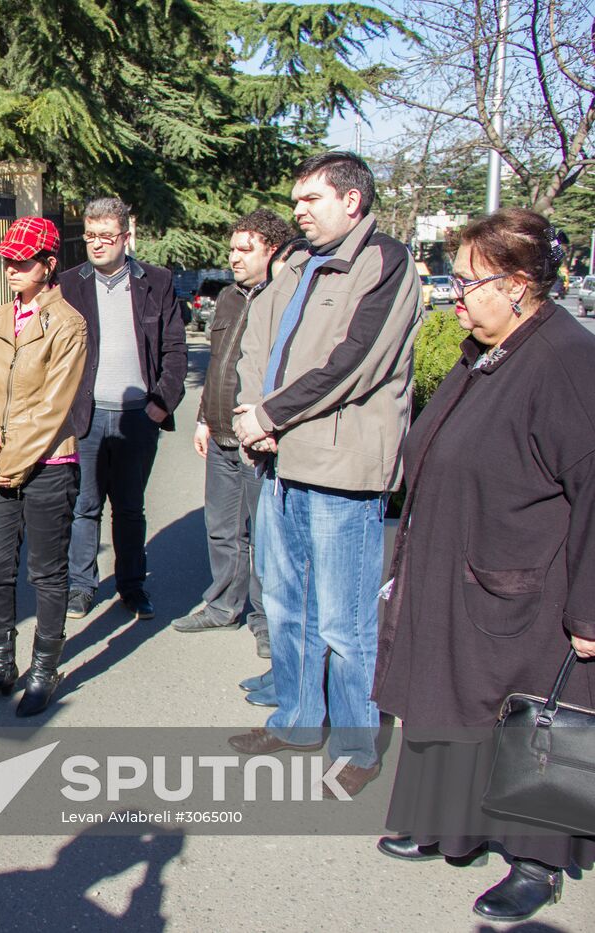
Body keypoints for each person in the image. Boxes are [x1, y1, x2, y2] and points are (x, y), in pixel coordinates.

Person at [371, 210, 595, 922]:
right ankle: (452, 824)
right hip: (465, 564)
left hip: (534, 582)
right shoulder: (486, 350)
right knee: (453, 694)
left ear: (521, 285)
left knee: (537, 720)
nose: (455, 296)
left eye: (469, 283)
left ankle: (538, 859)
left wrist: (591, 608)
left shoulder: (565, 359)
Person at [228, 152, 421, 799]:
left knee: (345, 621)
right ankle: (298, 720)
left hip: (343, 468)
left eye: (311, 198)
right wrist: (257, 419)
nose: (299, 210)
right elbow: (270, 349)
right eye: (297, 199)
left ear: (352, 201)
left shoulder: (384, 262)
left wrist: (270, 413)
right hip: (286, 459)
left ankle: (357, 744)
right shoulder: (308, 265)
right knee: (287, 606)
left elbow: (354, 361)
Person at [0, 217, 87, 717]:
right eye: (9, 260)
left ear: (49, 265)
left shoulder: (69, 325)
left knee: (47, 573)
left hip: (48, 465)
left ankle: (43, 671)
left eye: (23, 261)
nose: (13, 268)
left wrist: (9, 463)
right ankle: (0, 667)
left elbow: (52, 409)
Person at [171, 210, 295, 664]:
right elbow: (218, 362)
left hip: (259, 440)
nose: (235, 257)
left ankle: (265, 621)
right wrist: (203, 417)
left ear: (274, 252)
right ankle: (223, 606)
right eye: (232, 248)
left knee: (264, 534)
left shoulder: (287, 299)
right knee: (222, 528)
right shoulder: (227, 297)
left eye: (247, 249)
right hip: (221, 430)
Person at [60, 197, 187, 621]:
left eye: (106, 237)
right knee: (84, 505)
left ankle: (132, 586)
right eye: (90, 236)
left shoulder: (157, 281)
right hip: (87, 416)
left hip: (138, 416)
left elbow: (174, 349)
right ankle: (81, 586)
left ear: (125, 237)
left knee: (130, 507)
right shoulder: (69, 284)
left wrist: (160, 403)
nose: (96, 244)